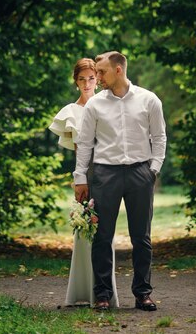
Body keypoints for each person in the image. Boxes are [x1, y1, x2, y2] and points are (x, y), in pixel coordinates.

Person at [74, 51, 167, 311]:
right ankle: (102, 295)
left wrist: (153, 170)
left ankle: (143, 294)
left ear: (118, 70)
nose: (97, 78)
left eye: (101, 72)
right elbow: (84, 143)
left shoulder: (149, 100)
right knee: (102, 237)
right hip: (105, 174)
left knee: (142, 237)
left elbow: (159, 138)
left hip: (140, 173)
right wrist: (80, 177)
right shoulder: (95, 104)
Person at [49, 58, 119, 308]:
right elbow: (80, 150)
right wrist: (80, 178)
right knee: (87, 229)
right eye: (82, 79)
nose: (87, 83)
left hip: (110, 170)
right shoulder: (72, 111)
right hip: (87, 174)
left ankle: (104, 291)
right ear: (75, 81)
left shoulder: (109, 105)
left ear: (98, 79)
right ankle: (85, 290)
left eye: (92, 78)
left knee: (106, 230)